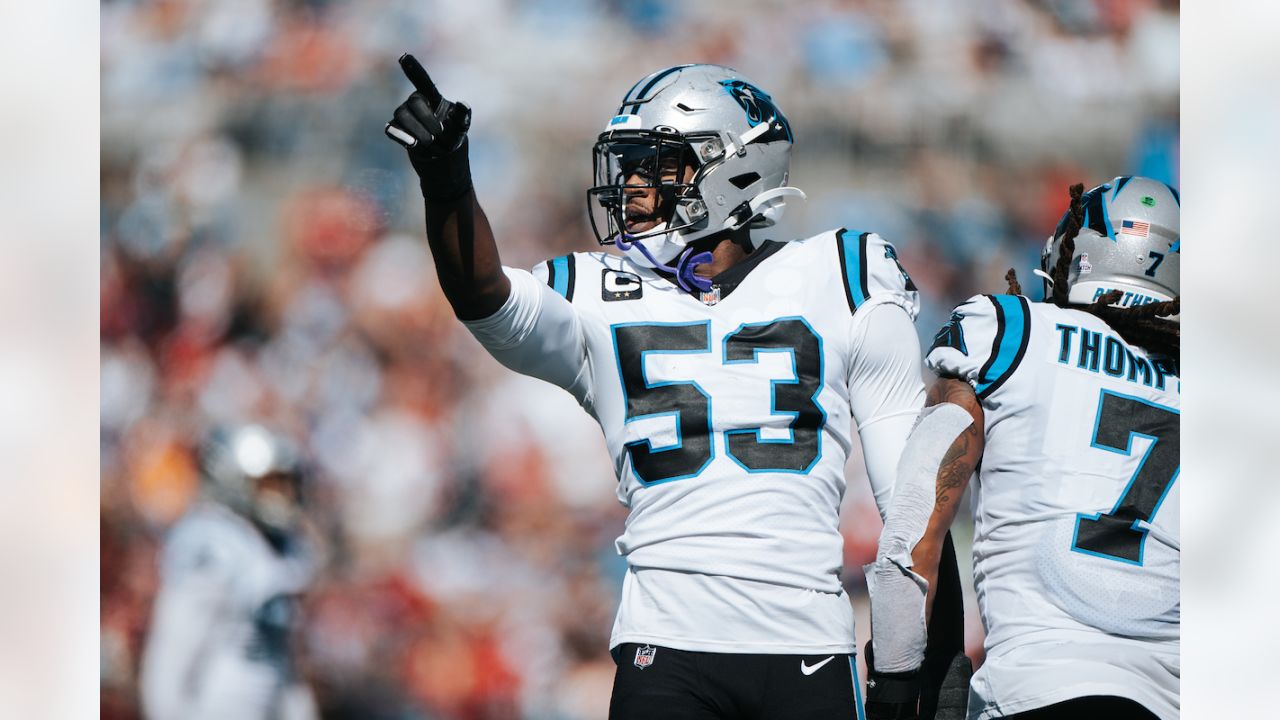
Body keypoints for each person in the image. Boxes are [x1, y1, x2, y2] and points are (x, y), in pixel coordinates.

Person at [384, 56, 967, 719]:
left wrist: (931, 659)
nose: (628, 186)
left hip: (806, 642)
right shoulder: (599, 292)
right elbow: (483, 294)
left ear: (732, 169)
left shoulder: (842, 274)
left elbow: (911, 501)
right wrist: (447, 182)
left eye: (654, 165)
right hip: (665, 645)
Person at [863, 178, 1180, 719]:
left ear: (1076, 254)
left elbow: (913, 528)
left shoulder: (1010, 333)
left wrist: (894, 683)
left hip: (1035, 687)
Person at [139, 424, 317, 720]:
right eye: (270, 484)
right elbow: (174, 654)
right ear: (234, 481)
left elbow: (285, 662)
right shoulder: (216, 544)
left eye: (286, 484)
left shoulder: (283, 550)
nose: (283, 496)